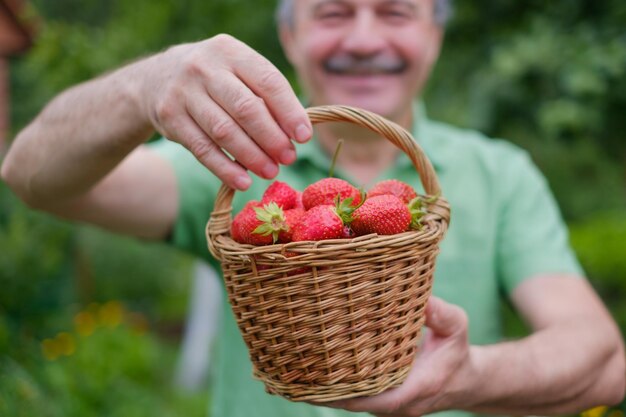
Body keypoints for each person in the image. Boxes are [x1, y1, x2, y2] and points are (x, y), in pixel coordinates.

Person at [2, 0, 624, 416]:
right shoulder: (236, 165)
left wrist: (472, 376)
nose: (362, 38)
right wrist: (143, 86)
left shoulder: (499, 175)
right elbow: (32, 175)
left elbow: (601, 352)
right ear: (290, 36)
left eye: (395, 11)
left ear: (434, 35)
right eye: (331, 12)